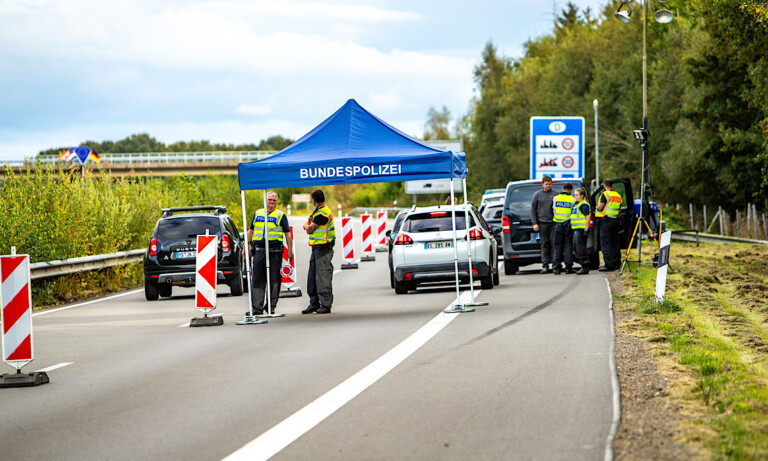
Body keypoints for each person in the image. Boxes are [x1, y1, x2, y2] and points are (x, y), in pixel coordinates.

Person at [246, 191, 293, 315]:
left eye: (274, 200)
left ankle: (271, 306)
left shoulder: (280, 215)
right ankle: (257, 308)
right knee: (257, 279)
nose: (271, 202)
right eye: (269, 200)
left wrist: (290, 250)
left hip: (274, 252)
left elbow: (287, 234)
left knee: (274, 280)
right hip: (259, 251)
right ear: (265, 200)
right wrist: (246, 246)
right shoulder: (258, 213)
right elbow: (251, 230)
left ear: (276, 202)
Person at [302, 189, 335, 314]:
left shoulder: (322, 214)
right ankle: (314, 303)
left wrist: (306, 227)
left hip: (324, 249)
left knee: (323, 278)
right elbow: (308, 224)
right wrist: (307, 226)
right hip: (316, 249)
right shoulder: (317, 212)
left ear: (314, 200)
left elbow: (309, 228)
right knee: (312, 278)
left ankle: (325, 305)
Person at [531, 175, 559, 274]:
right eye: (546, 184)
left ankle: (556, 266)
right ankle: (545, 265)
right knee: (544, 244)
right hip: (542, 223)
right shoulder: (537, 195)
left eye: (550, 184)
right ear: (542, 184)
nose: (548, 186)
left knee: (554, 243)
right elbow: (533, 210)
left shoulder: (556, 194)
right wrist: (535, 223)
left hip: (554, 223)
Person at [595, 179, 623, 271]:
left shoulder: (605, 194)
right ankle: (616, 263)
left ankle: (608, 265)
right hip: (615, 221)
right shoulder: (618, 195)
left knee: (606, 243)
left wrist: (596, 207)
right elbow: (619, 210)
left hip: (606, 221)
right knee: (615, 242)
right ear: (613, 186)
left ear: (604, 186)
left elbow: (601, 207)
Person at [551, 183, 575, 275]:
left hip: (557, 224)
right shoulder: (572, 199)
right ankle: (568, 267)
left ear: (563, 188)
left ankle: (556, 268)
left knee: (557, 246)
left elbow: (552, 210)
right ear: (570, 190)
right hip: (568, 224)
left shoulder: (555, 198)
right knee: (568, 245)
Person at [571, 187, 592, 275]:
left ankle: (585, 266)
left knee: (581, 249)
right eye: (575, 195)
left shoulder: (584, 205)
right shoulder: (577, 204)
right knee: (576, 249)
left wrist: (586, 229)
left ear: (582, 196)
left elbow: (587, 218)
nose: (575, 197)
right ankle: (583, 265)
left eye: (577, 195)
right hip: (577, 229)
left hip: (581, 230)